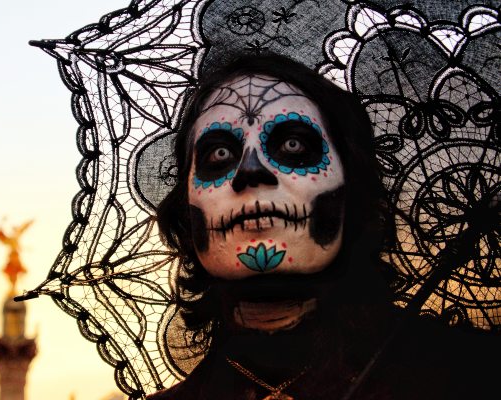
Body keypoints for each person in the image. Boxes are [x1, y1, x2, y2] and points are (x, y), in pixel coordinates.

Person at [149, 55, 498, 399]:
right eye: (219, 155)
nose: (250, 170)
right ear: (187, 207)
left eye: (293, 145)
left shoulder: (474, 376)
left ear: (351, 186)